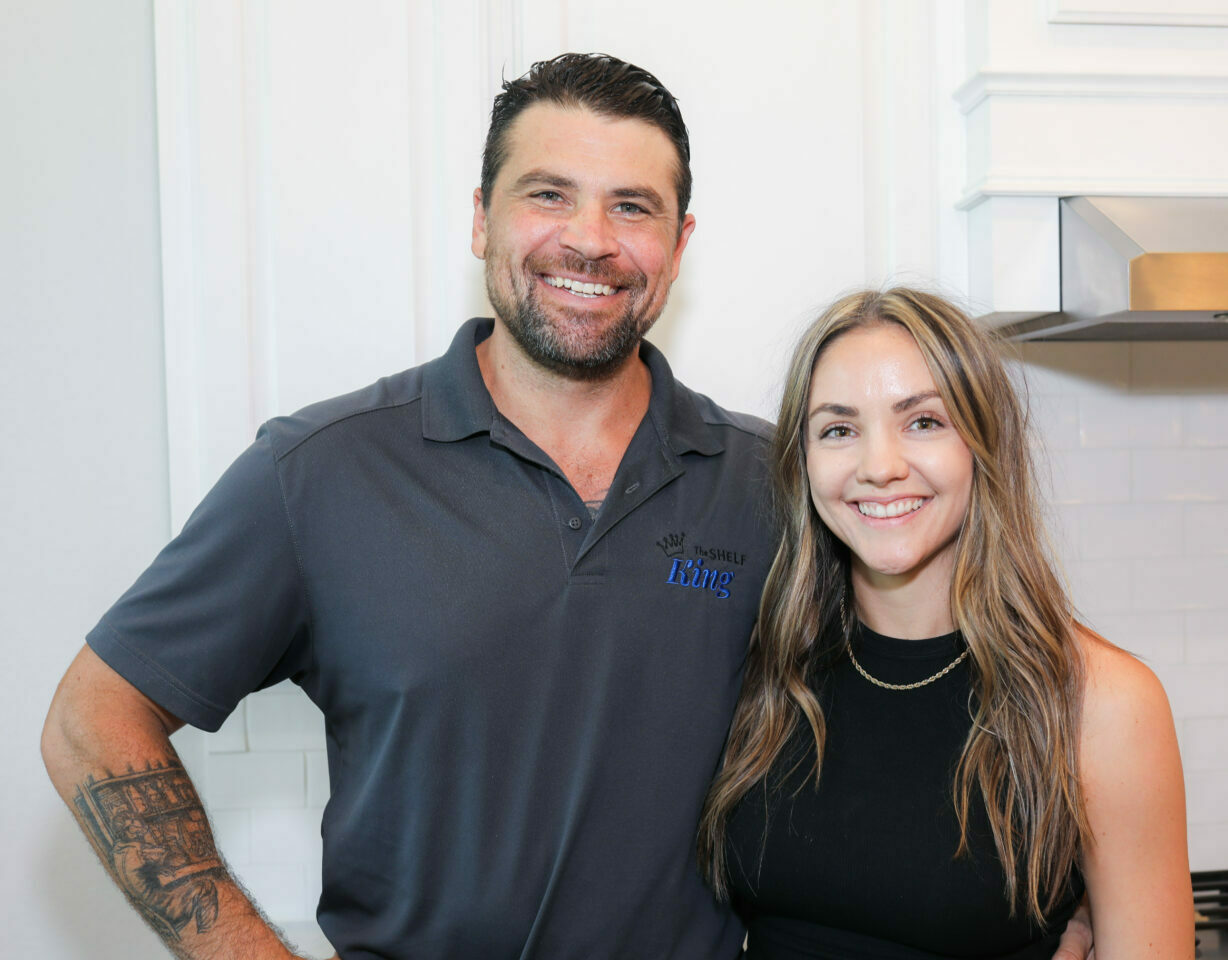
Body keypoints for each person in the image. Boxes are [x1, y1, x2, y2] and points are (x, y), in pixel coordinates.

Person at [40, 55, 1096, 959]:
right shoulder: (320, 472)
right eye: (548, 194)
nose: (590, 240)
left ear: (679, 243)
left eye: (632, 207)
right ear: (480, 219)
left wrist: (1076, 895)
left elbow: (935, 679)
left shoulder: (772, 479)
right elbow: (93, 720)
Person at [697, 288, 1193, 959]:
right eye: (839, 430)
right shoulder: (768, 662)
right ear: (802, 462)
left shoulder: (1100, 702)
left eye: (923, 421)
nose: (880, 467)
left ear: (982, 444)